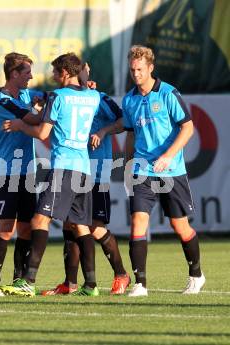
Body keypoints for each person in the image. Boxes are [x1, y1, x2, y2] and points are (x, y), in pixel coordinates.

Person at [0, 53, 101, 297]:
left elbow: (43, 133)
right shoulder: (93, 96)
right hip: (84, 168)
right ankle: (91, 285)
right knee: (80, 226)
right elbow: (81, 87)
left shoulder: (58, 97)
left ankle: (28, 281)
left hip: (64, 167)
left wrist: (20, 125)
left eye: (56, 72)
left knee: (39, 221)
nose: (53, 76)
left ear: (65, 73)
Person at [123, 45, 205, 297]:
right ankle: (140, 284)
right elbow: (130, 134)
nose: (136, 74)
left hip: (171, 171)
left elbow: (188, 128)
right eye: (132, 70)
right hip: (142, 169)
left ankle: (196, 275)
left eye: (140, 69)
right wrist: (128, 164)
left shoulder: (168, 93)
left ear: (150, 68)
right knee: (138, 221)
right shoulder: (129, 99)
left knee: (179, 226)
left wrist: (168, 156)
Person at [42, 63, 131, 296]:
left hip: (96, 169)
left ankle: (121, 274)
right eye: (82, 70)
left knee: (94, 226)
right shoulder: (65, 97)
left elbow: (123, 122)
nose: (85, 74)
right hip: (75, 168)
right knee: (70, 224)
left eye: (87, 70)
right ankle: (70, 283)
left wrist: (102, 132)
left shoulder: (98, 97)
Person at [0, 52, 46, 296]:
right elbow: (32, 117)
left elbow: (50, 97)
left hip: (27, 173)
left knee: (26, 229)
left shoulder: (26, 95)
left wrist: (81, 85)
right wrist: (42, 111)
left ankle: (19, 279)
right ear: (14, 74)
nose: (31, 77)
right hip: (6, 173)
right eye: (27, 72)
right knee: (6, 228)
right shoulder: (2, 101)